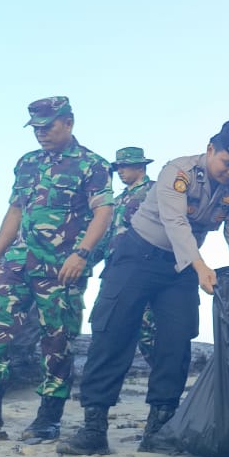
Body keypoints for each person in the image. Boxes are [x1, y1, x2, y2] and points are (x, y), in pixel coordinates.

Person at [58, 121, 229, 456]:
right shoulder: (177, 171)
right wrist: (200, 267)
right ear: (211, 149)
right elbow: (176, 223)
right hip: (136, 256)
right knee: (112, 336)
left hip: (178, 268)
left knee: (176, 341)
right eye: (228, 163)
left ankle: (159, 427)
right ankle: (94, 426)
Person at [0, 96, 112, 440]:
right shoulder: (28, 163)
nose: (41, 134)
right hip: (19, 259)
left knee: (57, 338)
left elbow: (104, 212)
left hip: (63, 265)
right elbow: (15, 212)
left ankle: (49, 416)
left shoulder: (92, 164)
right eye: (36, 128)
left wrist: (82, 254)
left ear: (68, 123)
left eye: (47, 127)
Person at [97, 146, 157, 366]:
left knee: (148, 330)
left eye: (125, 166)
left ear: (140, 166)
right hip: (114, 269)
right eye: (118, 167)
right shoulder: (117, 200)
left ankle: (163, 391)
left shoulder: (155, 191)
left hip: (144, 269)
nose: (120, 171)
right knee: (108, 324)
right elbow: (106, 235)